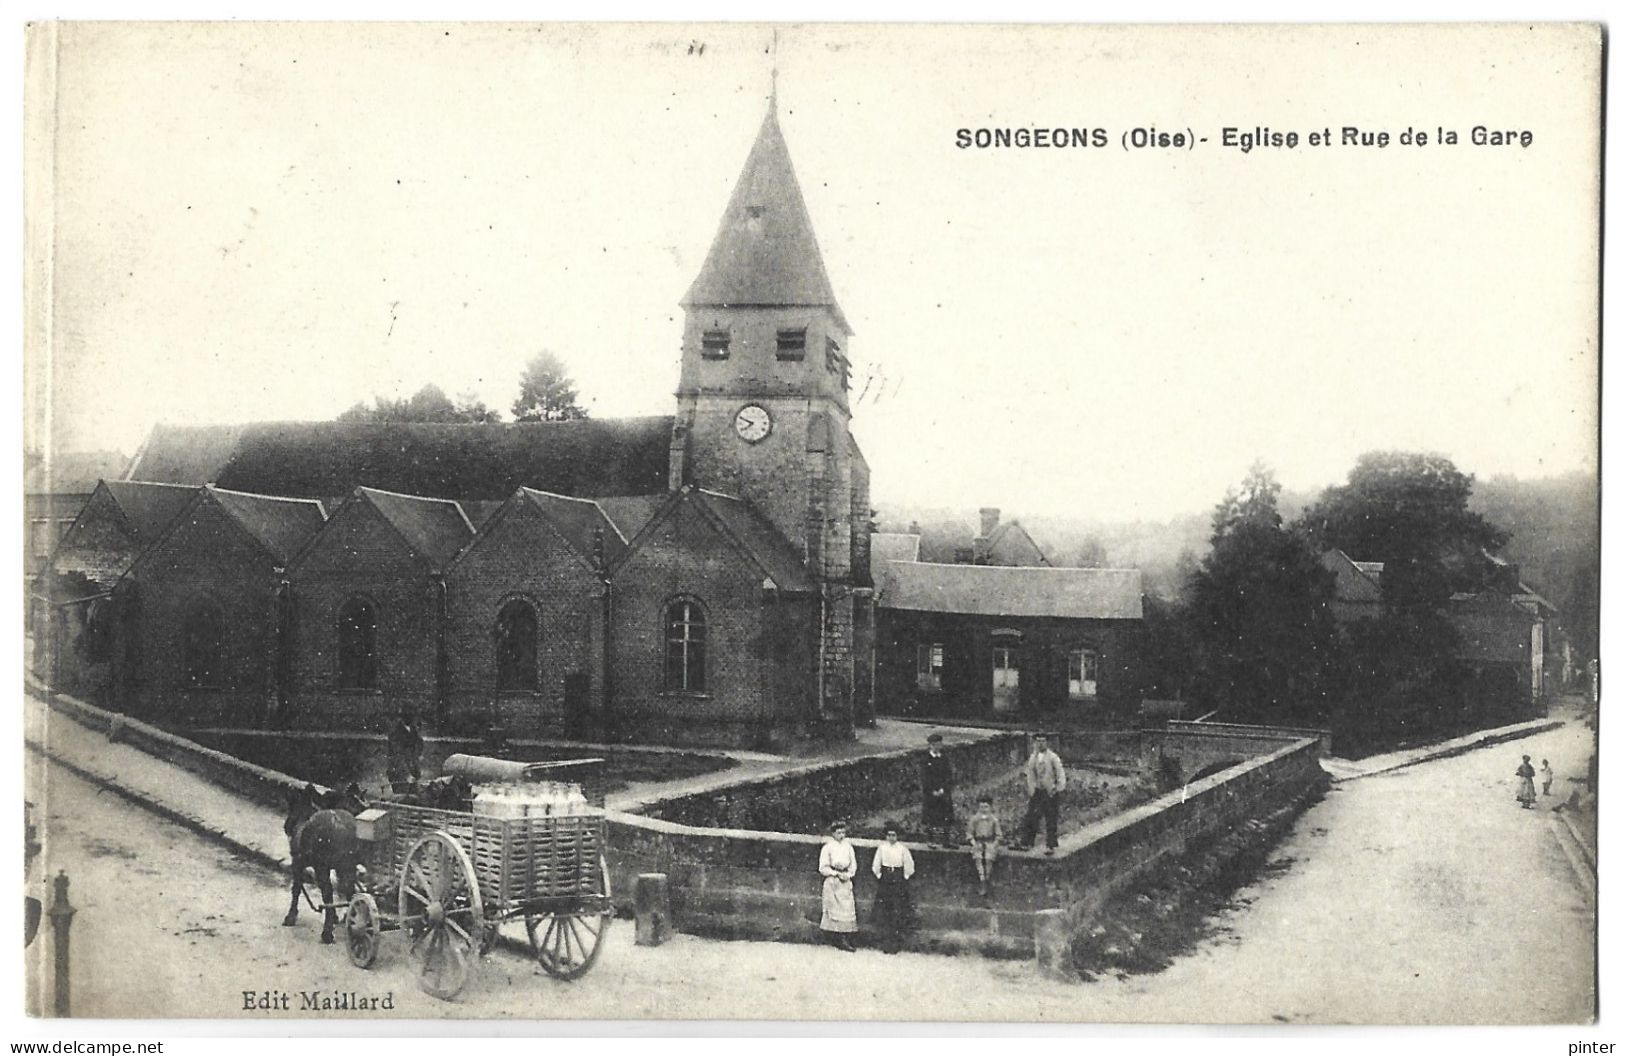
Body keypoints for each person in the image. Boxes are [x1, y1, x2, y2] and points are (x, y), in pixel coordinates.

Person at [1015, 733, 1066, 854]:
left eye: (1042, 741)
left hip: (1050, 792)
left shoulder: (1053, 757)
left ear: (1047, 743)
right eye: (1038, 741)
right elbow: (1031, 774)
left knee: (1051, 818)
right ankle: (1027, 842)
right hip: (1038, 791)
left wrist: (1057, 788)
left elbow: (1060, 773)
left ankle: (1050, 846)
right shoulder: (1033, 757)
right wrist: (1031, 789)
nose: (1040, 743)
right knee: (1031, 816)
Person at [870, 825, 916, 954]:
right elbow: (876, 864)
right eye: (889, 835)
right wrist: (880, 876)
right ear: (886, 836)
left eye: (894, 835)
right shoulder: (882, 848)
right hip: (886, 879)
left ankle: (895, 943)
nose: (891, 838)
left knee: (897, 910)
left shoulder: (902, 849)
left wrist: (904, 877)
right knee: (885, 911)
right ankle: (885, 942)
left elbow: (909, 865)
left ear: (897, 836)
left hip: (898, 880)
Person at [818, 821, 859, 951]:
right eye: (838, 832)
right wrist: (835, 873)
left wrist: (848, 874)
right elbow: (823, 867)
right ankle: (836, 938)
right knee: (833, 909)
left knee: (846, 908)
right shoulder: (828, 847)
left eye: (843, 832)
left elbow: (853, 865)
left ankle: (845, 938)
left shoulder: (848, 847)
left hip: (845, 880)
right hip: (833, 880)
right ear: (833, 833)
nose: (841, 835)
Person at [920, 733, 956, 846]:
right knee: (931, 817)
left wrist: (943, 789)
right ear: (930, 745)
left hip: (943, 792)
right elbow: (924, 777)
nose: (937, 747)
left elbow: (949, 776)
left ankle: (946, 840)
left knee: (946, 816)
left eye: (939, 744)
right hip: (931, 794)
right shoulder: (925, 760)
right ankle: (930, 840)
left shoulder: (944, 759)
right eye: (934, 745)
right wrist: (932, 791)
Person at [967, 794, 1002, 897]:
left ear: (990, 807)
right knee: (978, 857)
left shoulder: (994, 820)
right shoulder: (974, 819)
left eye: (986, 807)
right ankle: (982, 879)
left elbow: (999, 835)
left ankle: (987, 879)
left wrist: (994, 844)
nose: (984, 810)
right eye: (981, 807)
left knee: (988, 858)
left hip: (990, 842)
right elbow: (969, 833)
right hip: (978, 842)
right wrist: (973, 842)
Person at [386, 708, 424, 793]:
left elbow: (419, 744)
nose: (413, 719)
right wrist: (406, 774)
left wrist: (416, 768)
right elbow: (397, 756)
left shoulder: (413, 730)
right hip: (399, 775)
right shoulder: (396, 733)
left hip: (412, 772)